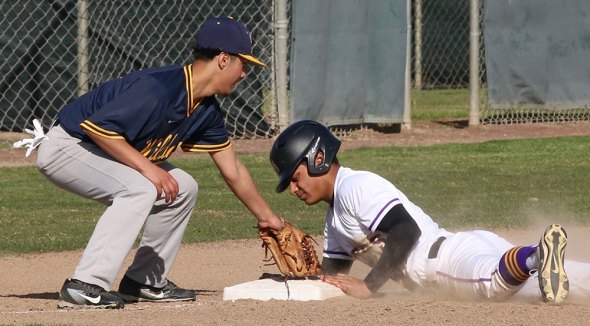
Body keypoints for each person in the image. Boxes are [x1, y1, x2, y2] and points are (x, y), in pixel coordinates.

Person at [27, 16, 284, 309]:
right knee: (140, 188)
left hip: (97, 148)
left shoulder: (207, 109)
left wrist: (268, 217)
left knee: (184, 187)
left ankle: (144, 281)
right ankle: (85, 285)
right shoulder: (159, 89)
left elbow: (233, 170)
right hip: (68, 147)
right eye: (244, 65)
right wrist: (149, 169)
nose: (244, 74)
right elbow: (99, 130)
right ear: (224, 59)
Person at [269, 120, 590, 303]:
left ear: (319, 157)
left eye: (295, 178)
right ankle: (541, 261)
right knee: (551, 287)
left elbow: (406, 231)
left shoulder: (355, 187)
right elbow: (334, 279)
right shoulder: (335, 218)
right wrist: (288, 280)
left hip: (444, 263)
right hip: (460, 251)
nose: (295, 190)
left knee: (493, 286)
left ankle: (535, 256)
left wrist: (370, 286)